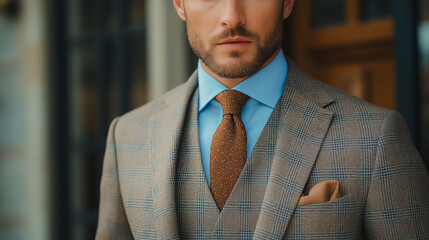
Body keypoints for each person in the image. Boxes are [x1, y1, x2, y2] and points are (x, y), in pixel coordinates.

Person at [95, 0, 429, 239]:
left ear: (287, 3)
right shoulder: (127, 137)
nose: (232, 17)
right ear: (179, 4)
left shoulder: (376, 137)